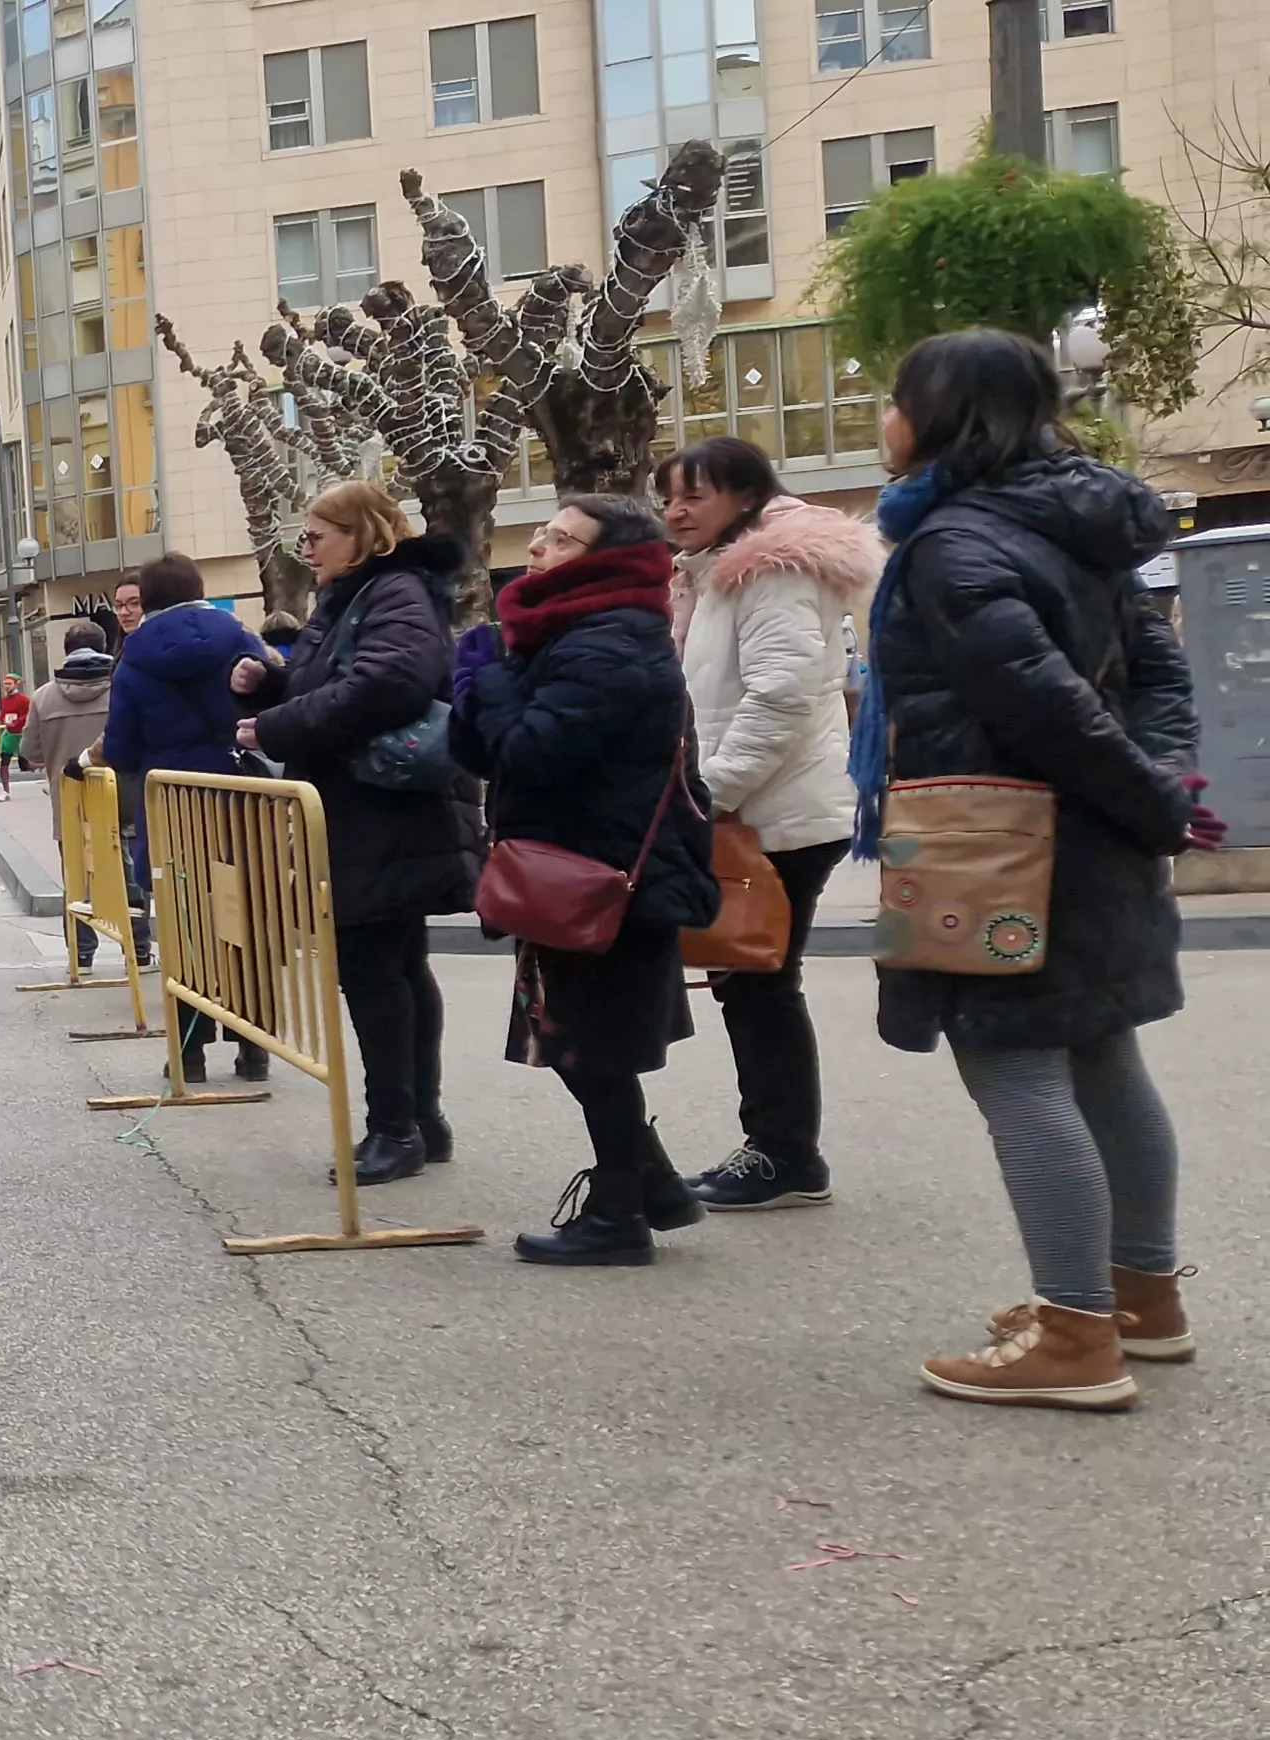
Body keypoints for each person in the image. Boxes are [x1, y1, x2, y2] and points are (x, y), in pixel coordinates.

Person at [860, 330, 1220, 1410]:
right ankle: (1138, 1301)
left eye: (895, 398)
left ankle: (1073, 1335)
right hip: (1090, 835)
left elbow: (1039, 703)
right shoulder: (1081, 523)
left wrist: (1145, 797)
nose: (883, 418)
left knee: (1010, 1058)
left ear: (945, 416)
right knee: (1103, 1055)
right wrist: (1155, 790)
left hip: (994, 841)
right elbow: (1155, 671)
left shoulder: (954, 542)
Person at [449, 495, 719, 1266]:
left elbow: (533, 749)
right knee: (574, 1041)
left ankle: (619, 1216)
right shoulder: (562, 632)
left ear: (606, 558)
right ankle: (648, 1185)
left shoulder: (612, 643)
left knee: (590, 1051)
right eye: (543, 532)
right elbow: (486, 753)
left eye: (562, 539)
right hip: (570, 870)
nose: (537, 545)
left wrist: (491, 679)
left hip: (603, 877)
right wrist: (482, 683)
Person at [236, 482, 481, 1184]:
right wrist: (270, 685)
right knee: (397, 963)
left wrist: (278, 723)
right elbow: (335, 684)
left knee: (375, 968)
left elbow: (391, 683)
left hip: (382, 806)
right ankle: (418, 1122)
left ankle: (396, 1127)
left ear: (362, 535)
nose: (305, 548)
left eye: (317, 535)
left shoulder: (393, 589)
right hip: (370, 805)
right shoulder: (355, 595)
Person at [660, 435, 881, 1212]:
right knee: (750, 979)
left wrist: (708, 794)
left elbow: (779, 698)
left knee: (757, 979)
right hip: (761, 808)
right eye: (670, 496)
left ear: (746, 496)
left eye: (696, 494)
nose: (677, 510)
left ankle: (786, 1153)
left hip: (777, 814)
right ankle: (781, 1149)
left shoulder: (772, 568)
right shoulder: (718, 572)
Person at [101, 552, 277, 1085]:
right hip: (238, 795)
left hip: (173, 801)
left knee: (187, 922)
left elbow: (122, 748)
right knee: (246, 913)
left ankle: (190, 1050)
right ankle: (253, 1046)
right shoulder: (239, 636)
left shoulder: (134, 657)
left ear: (147, 601)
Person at [18, 623, 119, 971]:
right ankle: (137, 950)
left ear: (66, 650)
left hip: (70, 802)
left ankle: (81, 954)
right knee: (127, 874)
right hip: (121, 796)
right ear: (104, 645)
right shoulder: (122, 688)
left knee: (76, 878)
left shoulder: (44, 696)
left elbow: (30, 751)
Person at [0, 674, 33, 801]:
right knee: (4, 761)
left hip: (21, 734)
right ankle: (5, 791)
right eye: (5, 684)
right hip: (9, 734)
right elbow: (4, 713)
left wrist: (16, 722)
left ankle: (45, 765)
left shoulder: (24, 699)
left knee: (25, 766)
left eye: (9, 683)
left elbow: (29, 714)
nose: (6, 686)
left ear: (16, 684)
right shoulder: (4, 700)